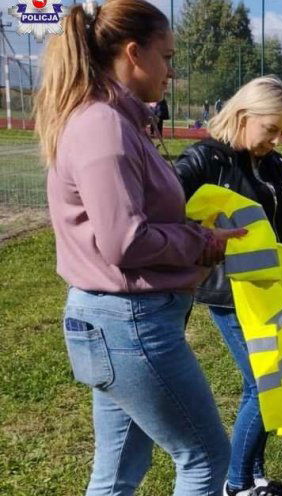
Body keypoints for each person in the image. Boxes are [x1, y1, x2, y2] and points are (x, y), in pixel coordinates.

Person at [35, 0, 244, 493]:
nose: (171, 71)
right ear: (134, 53)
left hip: (118, 325)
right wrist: (201, 241)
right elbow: (125, 241)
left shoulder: (113, 121)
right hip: (128, 326)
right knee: (206, 458)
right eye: (167, 57)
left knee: (117, 473)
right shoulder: (104, 127)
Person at [175, 75, 282, 496]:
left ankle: (255, 474)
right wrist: (199, 241)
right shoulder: (206, 160)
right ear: (244, 116)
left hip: (271, 288)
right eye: (272, 130)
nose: (279, 140)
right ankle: (237, 484)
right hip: (231, 295)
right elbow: (165, 203)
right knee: (262, 384)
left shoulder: (273, 164)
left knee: (275, 379)